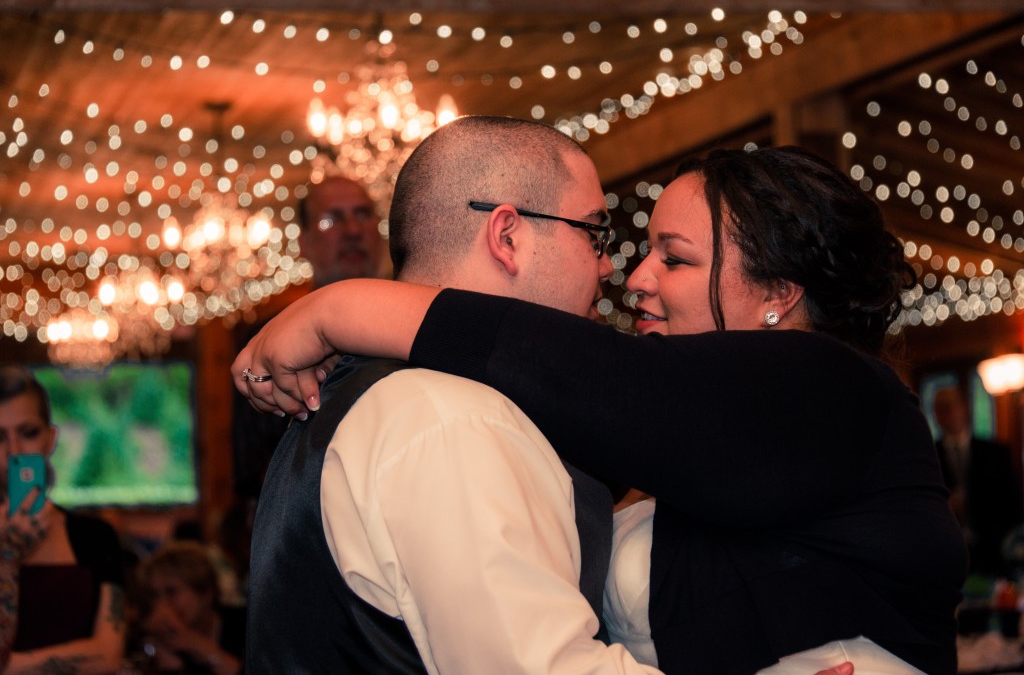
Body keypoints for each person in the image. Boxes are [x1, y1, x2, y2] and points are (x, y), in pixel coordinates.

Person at [235, 144, 967, 674]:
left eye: (675, 259)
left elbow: (591, 373)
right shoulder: (455, 419)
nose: (632, 277)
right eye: (621, 243)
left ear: (779, 294)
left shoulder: (836, 388)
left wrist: (344, 306)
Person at [232, 174, 389, 499]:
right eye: (332, 220)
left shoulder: (407, 322)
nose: (352, 230)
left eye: (362, 214)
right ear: (304, 243)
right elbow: (250, 466)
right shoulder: (270, 335)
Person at [0, 364, 126, 674]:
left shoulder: (95, 538)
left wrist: (11, 666)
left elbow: (109, 656)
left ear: (50, 438)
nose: (13, 450)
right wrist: (7, 556)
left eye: (28, 433)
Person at [933, 385, 1022, 576]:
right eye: (941, 408)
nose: (948, 412)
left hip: (993, 553)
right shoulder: (929, 457)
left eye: (951, 405)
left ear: (964, 408)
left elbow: (1012, 503)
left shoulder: (996, 453)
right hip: (946, 555)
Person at [133, 541, 245, 675]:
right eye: (154, 595)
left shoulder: (244, 624)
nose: (161, 605)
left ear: (205, 593)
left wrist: (195, 644)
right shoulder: (149, 638)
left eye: (171, 592)